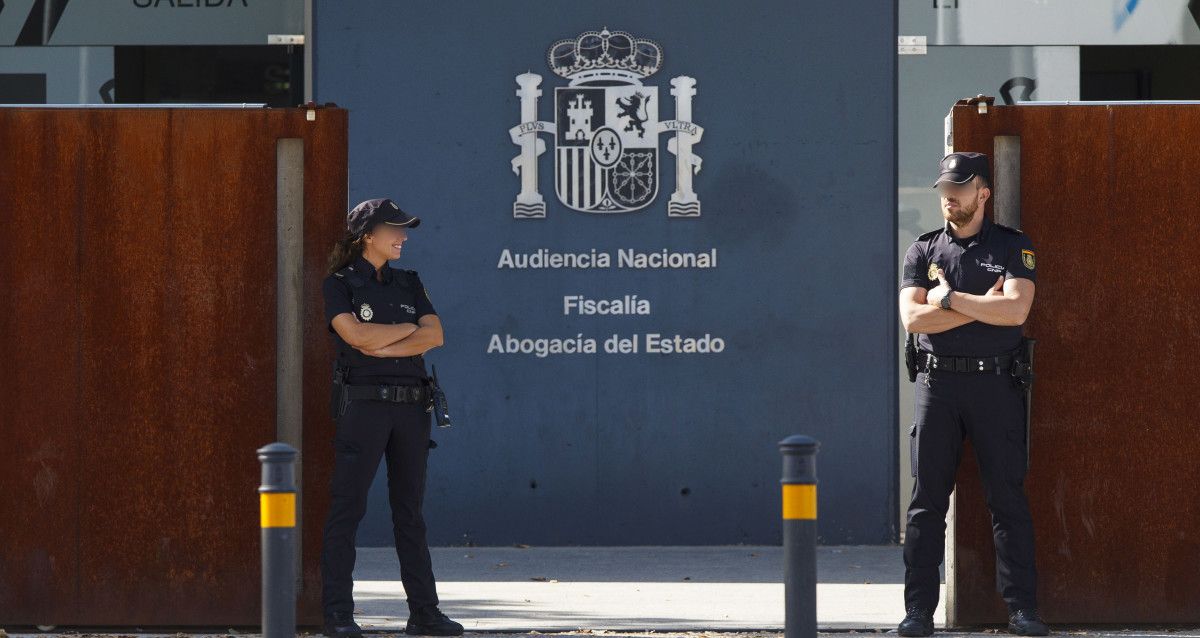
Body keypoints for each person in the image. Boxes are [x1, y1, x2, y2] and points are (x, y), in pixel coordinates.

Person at [897, 153, 1048, 637]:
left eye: (960, 187)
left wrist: (949, 299)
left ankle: (1022, 611)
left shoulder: (1013, 245)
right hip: (936, 386)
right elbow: (914, 321)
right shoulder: (922, 251)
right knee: (926, 504)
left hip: (994, 387)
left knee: (1007, 500)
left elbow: (1018, 312)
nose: (949, 195)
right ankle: (918, 612)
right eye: (944, 186)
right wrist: (986, 305)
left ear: (983, 192)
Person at [320, 198, 463, 637]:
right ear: (368, 235)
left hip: (411, 410)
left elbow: (435, 335)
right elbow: (355, 335)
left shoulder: (409, 281)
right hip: (362, 408)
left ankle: (424, 613)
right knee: (347, 510)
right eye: (395, 230)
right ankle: (339, 615)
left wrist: (381, 343)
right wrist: (406, 332)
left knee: (410, 514)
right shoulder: (339, 284)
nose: (403, 237)